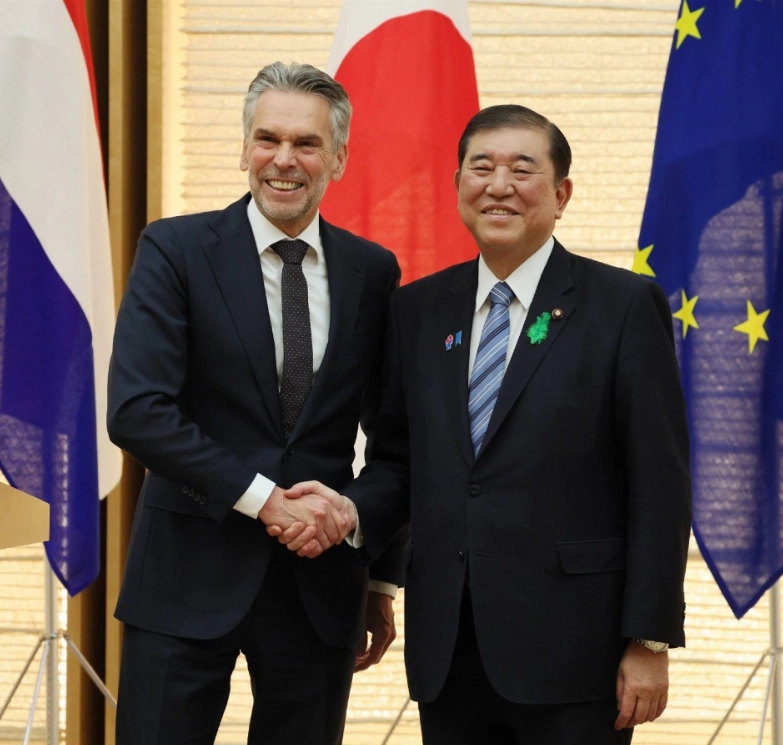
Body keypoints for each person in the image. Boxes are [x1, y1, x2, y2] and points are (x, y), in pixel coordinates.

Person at [278, 105, 692, 744]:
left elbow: (659, 485)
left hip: (576, 654)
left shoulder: (623, 306)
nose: (499, 186)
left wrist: (649, 638)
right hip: (451, 648)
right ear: (458, 187)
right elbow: (400, 460)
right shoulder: (417, 310)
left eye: (522, 170)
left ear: (561, 195)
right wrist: (364, 543)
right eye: (482, 168)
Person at [107, 61, 408, 745]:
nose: (283, 159)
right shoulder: (176, 250)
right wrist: (267, 500)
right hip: (184, 576)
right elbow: (138, 411)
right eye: (267, 138)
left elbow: (398, 442)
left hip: (321, 586)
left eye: (306, 144)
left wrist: (380, 575)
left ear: (338, 156)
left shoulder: (373, 271)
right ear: (244, 148)